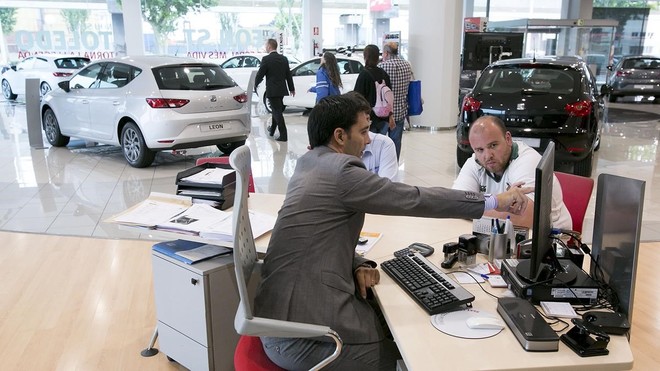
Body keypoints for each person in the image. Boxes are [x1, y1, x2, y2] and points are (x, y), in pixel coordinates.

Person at [253, 93, 532, 370]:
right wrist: (495, 201)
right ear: (339, 136)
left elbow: (315, 238)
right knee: (412, 353)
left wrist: (357, 262)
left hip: (280, 319)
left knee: (393, 322)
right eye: (363, 131)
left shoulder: (309, 163)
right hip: (305, 338)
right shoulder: (341, 171)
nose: (369, 139)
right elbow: (415, 198)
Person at [452, 115, 572, 230]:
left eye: (493, 145)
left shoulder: (528, 161)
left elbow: (524, 217)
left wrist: (470, 207)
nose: (488, 156)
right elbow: (454, 205)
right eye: (480, 150)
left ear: (508, 139)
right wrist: (497, 204)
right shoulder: (474, 162)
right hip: (501, 234)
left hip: (554, 239)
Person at [255, 38, 295, 142]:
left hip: (272, 90)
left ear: (269, 46)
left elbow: (260, 74)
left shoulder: (266, 59)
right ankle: (272, 130)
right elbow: (288, 75)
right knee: (276, 110)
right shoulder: (284, 59)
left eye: (265, 45)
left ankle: (283, 135)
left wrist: (255, 85)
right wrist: (291, 88)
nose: (265, 47)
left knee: (277, 111)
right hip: (281, 90)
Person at [379, 42, 414, 160]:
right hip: (400, 110)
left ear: (386, 53)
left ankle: (382, 166)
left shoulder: (382, 67)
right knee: (396, 142)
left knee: (381, 142)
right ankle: (394, 165)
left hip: (384, 112)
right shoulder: (407, 65)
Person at [353, 44, 394, 135]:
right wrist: (391, 115)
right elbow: (389, 96)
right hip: (384, 117)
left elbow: (357, 97)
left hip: (369, 118)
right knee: (379, 145)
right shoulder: (384, 73)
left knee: (369, 146)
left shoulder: (364, 74)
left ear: (365, 57)